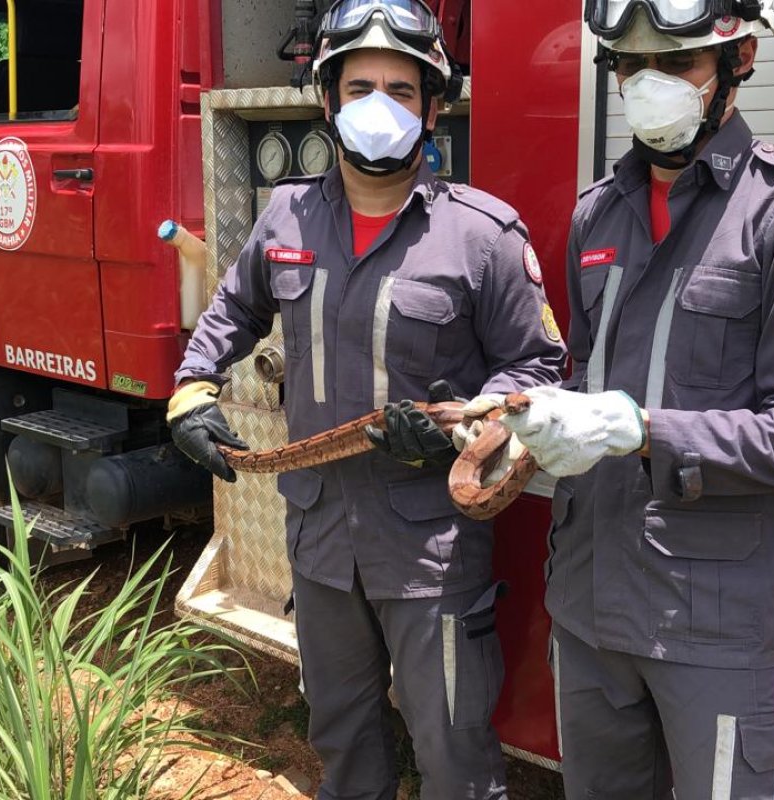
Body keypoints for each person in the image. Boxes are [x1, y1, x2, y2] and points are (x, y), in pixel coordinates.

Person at [460, 1, 774, 797]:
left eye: (676, 63)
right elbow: (583, 380)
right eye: (629, 65)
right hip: (588, 603)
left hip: (710, 623)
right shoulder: (597, 214)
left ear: (740, 58)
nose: (648, 86)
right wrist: (522, 424)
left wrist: (640, 427)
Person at [166, 2, 566, 798]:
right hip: (318, 544)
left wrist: (465, 428)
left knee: (454, 756)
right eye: (359, 87)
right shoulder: (287, 214)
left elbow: (540, 374)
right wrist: (191, 386)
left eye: (400, 89)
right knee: (343, 740)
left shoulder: (483, 236)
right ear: (326, 100)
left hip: (430, 557)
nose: (379, 106)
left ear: (433, 107)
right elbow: (233, 309)